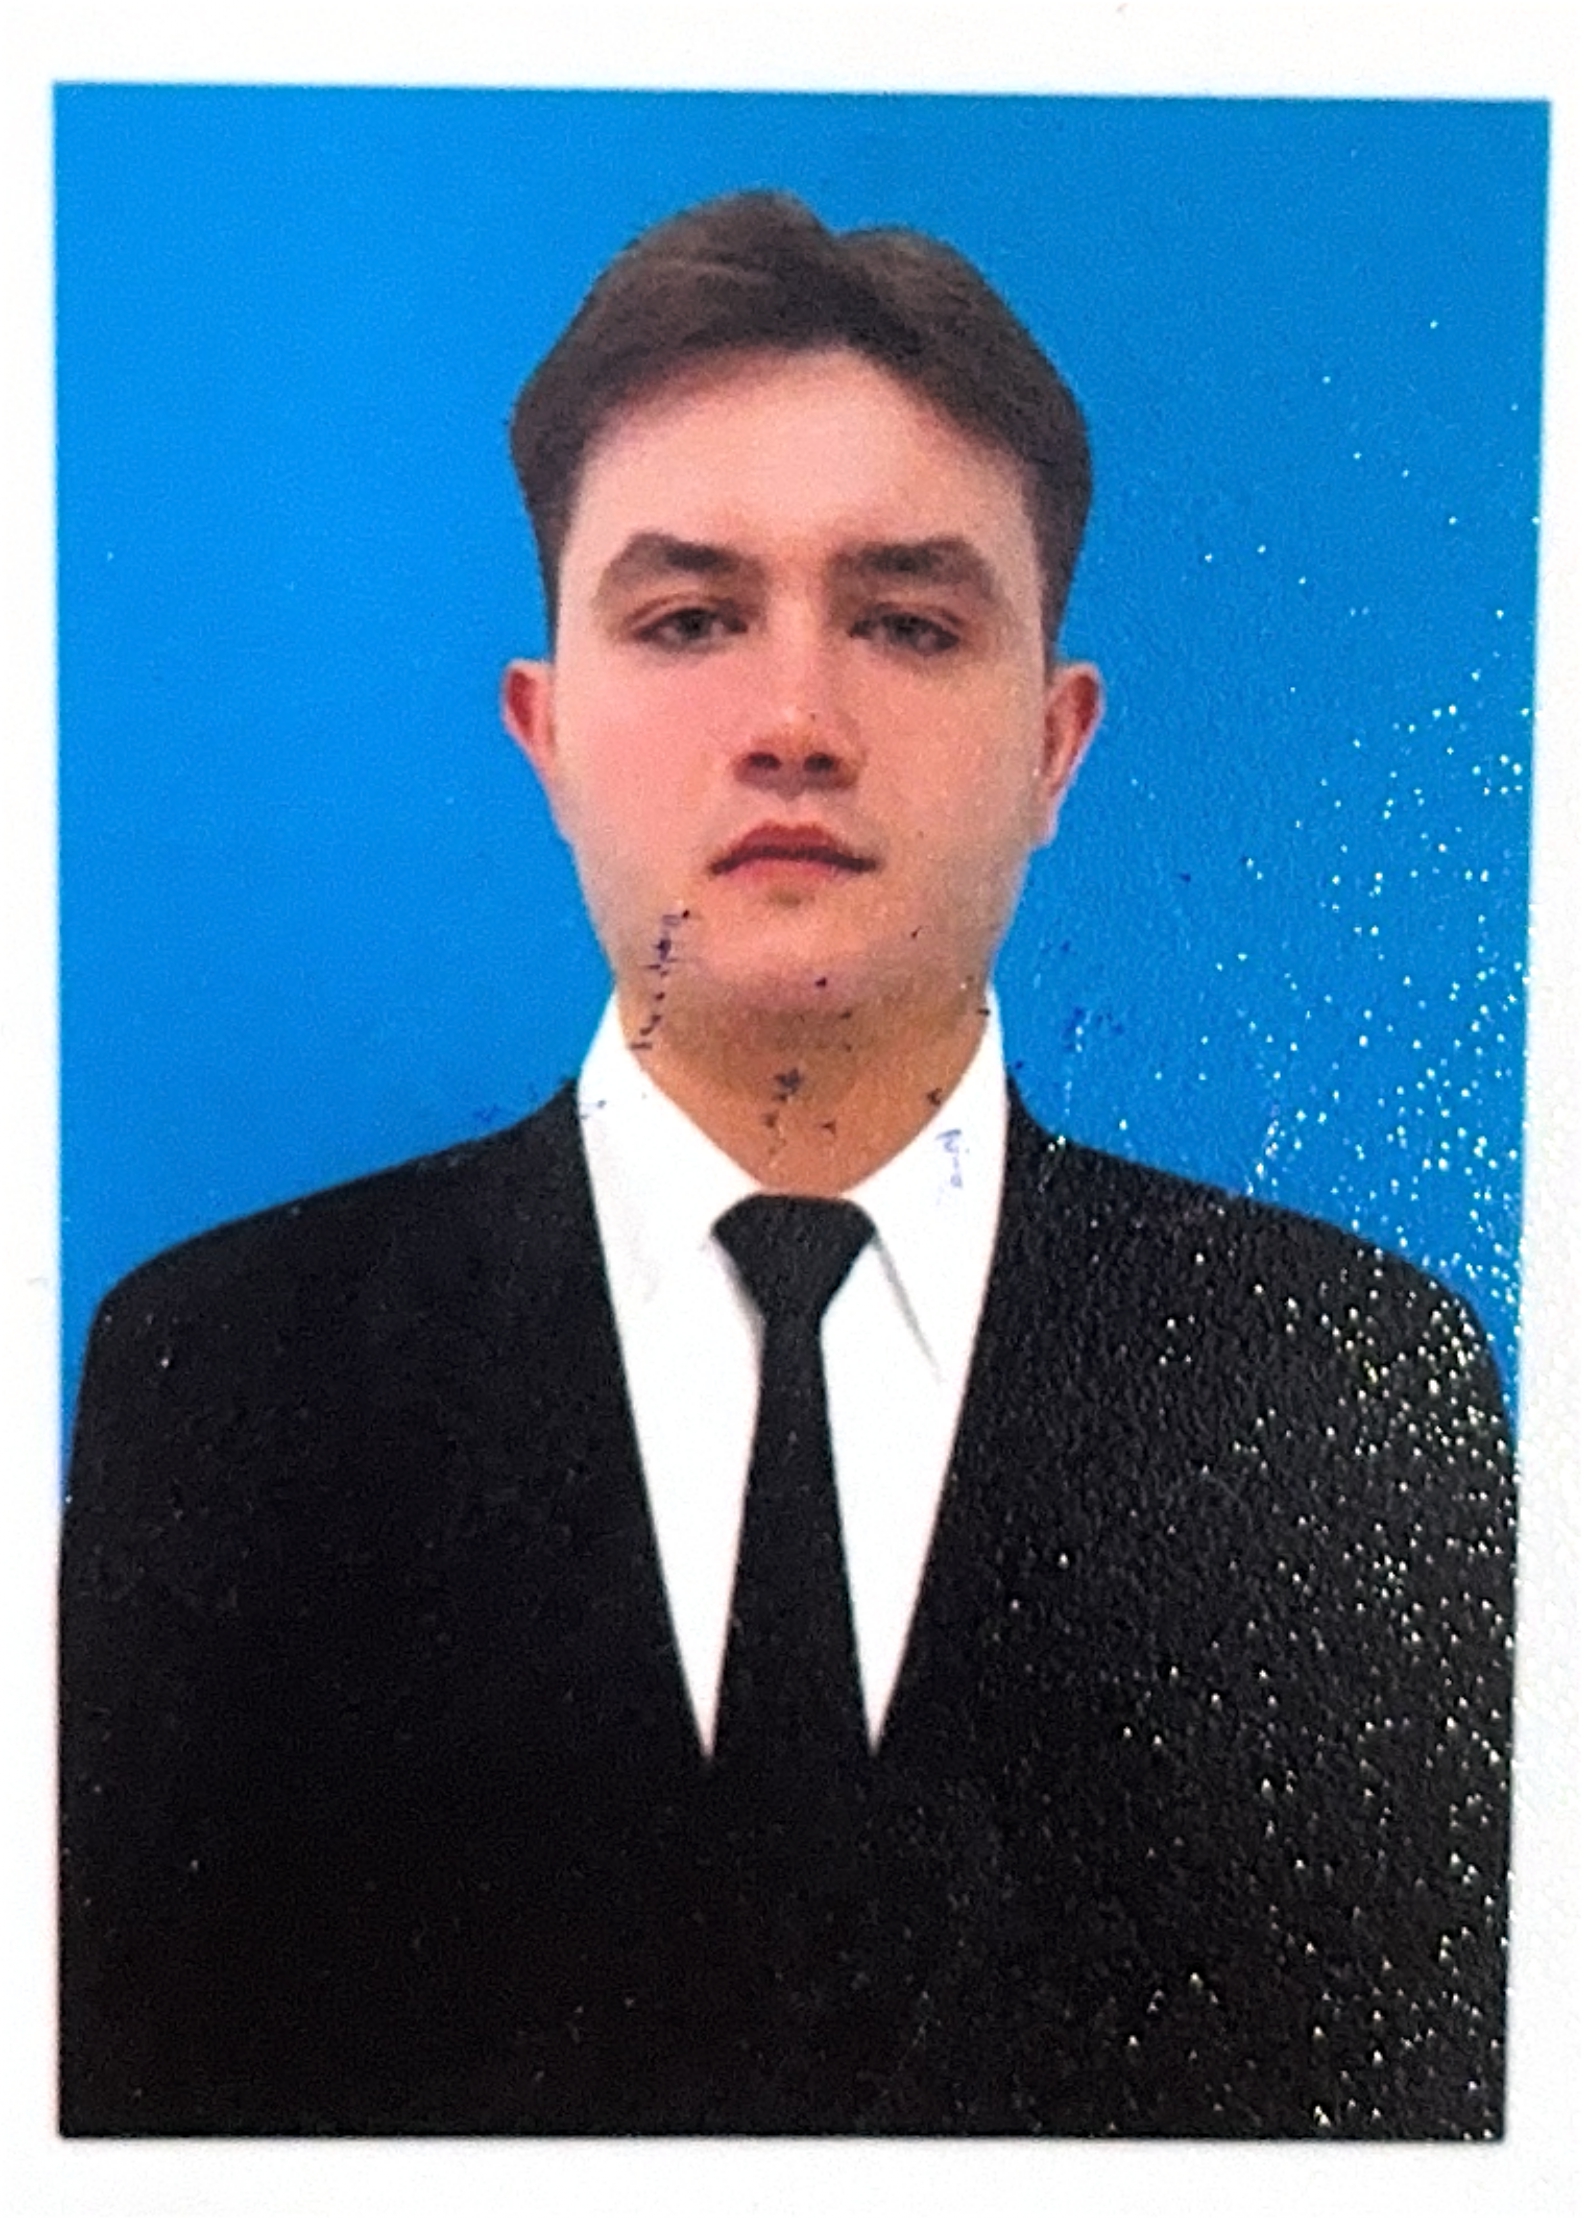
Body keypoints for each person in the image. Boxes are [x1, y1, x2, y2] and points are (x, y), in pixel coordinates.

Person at [59, 191, 1514, 2140]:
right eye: (689, 619)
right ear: (546, 729)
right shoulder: (222, 1381)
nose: (795, 724)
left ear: (1057, 743)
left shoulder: (1343, 1382)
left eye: (908, 623)